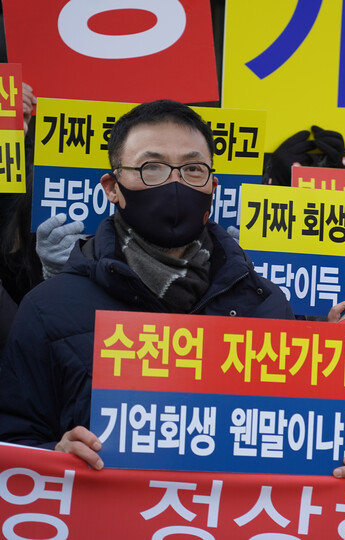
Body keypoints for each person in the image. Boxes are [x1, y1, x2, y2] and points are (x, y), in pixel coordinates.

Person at [0, 100, 295, 469]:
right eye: (151, 168)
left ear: (212, 185)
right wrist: (54, 457)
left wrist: (335, 468)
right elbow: (13, 443)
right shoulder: (48, 308)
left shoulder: (266, 304)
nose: (175, 182)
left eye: (193, 169)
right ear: (112, 186)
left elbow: (294, 441)